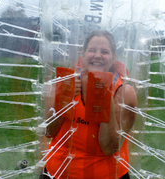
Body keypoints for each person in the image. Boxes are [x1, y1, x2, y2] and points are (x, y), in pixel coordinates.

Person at [41, 30, 137, 179]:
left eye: (104, 51)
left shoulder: (125, 93)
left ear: (113, 57)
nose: (97, 55)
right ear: (83, 54)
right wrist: (63, 99)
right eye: (92, 50)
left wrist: (107, 101)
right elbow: (48, 131)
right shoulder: (64, 83)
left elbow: (109, 148)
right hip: (57, 173)